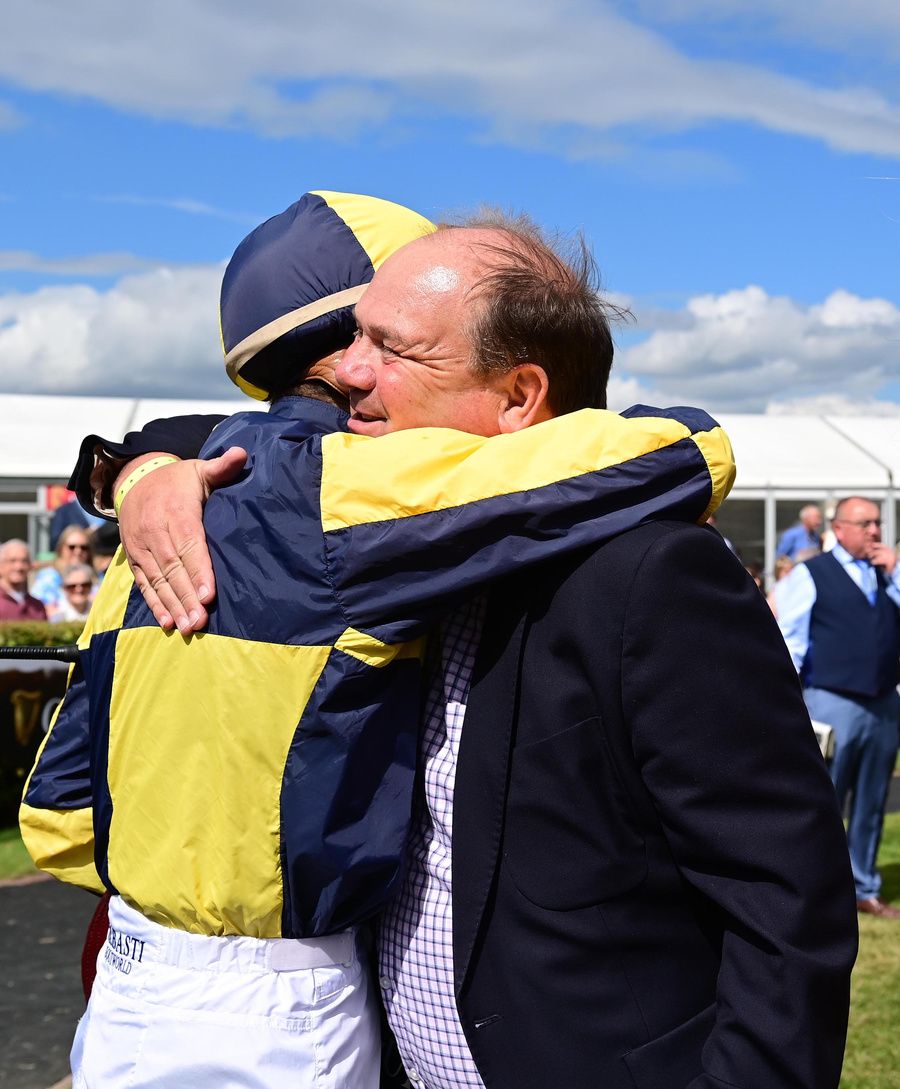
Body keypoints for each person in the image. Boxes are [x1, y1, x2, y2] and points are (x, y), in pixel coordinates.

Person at [61, 211, 855, 1089]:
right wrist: (142, 469)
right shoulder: (375, 547)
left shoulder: (651, 573)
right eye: (355, 337)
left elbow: (783, 893)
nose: (348, 372)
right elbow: (258, 441)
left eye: (392, 348)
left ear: (520, 397)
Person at [778, 495, 900, 919]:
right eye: (865, 523)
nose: (875, 531)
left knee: (872, 801)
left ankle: (864, 887)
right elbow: (790, 638)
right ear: (840, 528)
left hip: (883, 703)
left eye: (877, 523)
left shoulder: (886, 573)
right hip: (832, 700)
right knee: (823, 799)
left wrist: (895, 574)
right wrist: (786, 697)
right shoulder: (812, 573)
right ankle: (814, 890)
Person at [30, 525, 93, 614]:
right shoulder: (49, 577)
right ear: (61, 549)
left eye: (83, 547)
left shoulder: (96, 577)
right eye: (72, 547)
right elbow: (37, 608)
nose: (78, 551)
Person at [0, 539, 47, 621]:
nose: (19, 567)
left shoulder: (37, 607)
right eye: (12, 561)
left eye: (24, 561)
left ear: (30, 566)